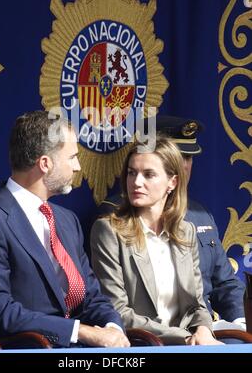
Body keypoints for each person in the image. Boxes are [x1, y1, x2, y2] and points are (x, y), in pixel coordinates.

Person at [0, 111, 129, 348]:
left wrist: (112, 328)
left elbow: (91, 297)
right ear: (45, 163)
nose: (78, 167)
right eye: (72, 157)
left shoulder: (67, 220)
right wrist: (82, 332)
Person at [98, 115, 246, 330]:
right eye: (178, 157)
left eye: (188, 158)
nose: (184, 166)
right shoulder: (113, 218)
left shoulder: (198, 216)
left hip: (202, 329)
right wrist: (184, 337)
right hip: (149, 335)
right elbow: (115, 307)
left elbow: (223, 283)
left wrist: (241, 323)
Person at [91, 135, 223, 345]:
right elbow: (117, 312)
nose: (136, 182)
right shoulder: (108, 230)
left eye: (148, 174)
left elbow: (197, 305)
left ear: (173, 182)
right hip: (140, 346)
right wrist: (186, 338)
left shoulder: (186, 231)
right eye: (131, 173)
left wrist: (204, 330)